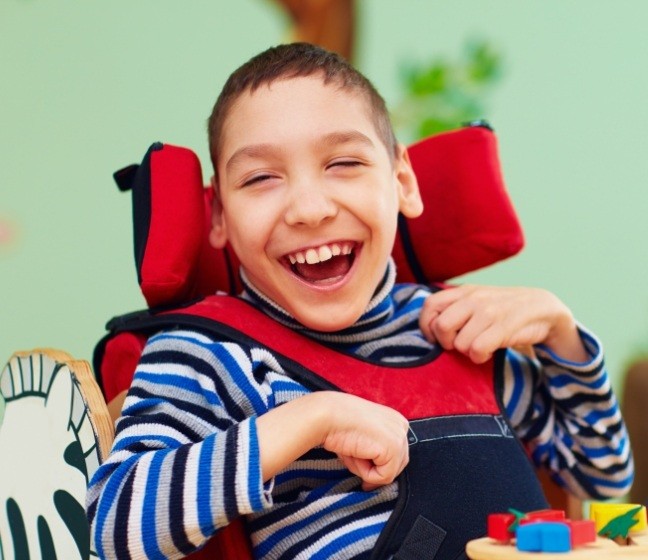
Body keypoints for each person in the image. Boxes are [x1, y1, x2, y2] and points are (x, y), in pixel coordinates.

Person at [86, 43, 633, 560]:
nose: (309, 208)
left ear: (402, 182)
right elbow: (112, 525)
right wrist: (310, 419)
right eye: (260, 177)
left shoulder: (459, 329)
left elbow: (602, 480)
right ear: (220, 219)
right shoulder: (208, 351)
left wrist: (563, 335)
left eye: (343, 163)